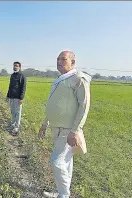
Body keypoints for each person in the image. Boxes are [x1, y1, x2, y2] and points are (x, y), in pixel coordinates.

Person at [39, 51, 92, 198]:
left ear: (73, 62)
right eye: (58, 59)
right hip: (56, 128)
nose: (59, 61)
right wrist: (45, 124)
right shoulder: (60, 79)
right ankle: (62, 191)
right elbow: (54, 104)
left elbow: (84, 106)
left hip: (68, 130)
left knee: (57, 162)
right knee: (66, 161)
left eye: (63, 59)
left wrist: (75, 131)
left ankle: (64, 194)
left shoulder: (79, 79)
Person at [6, 61, 27, 136]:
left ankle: (17, 127)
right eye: (14, 66)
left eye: (17, 66)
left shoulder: (22, 76)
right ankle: (12, 124)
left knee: (18, 112)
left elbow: (23, 87)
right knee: (13, 111)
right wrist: (8, 96)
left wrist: (21, 98)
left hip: (18, 98)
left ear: (19, 67)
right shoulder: (12, 75)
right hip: (11, 97)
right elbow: (10, 86)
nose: (15, 67)